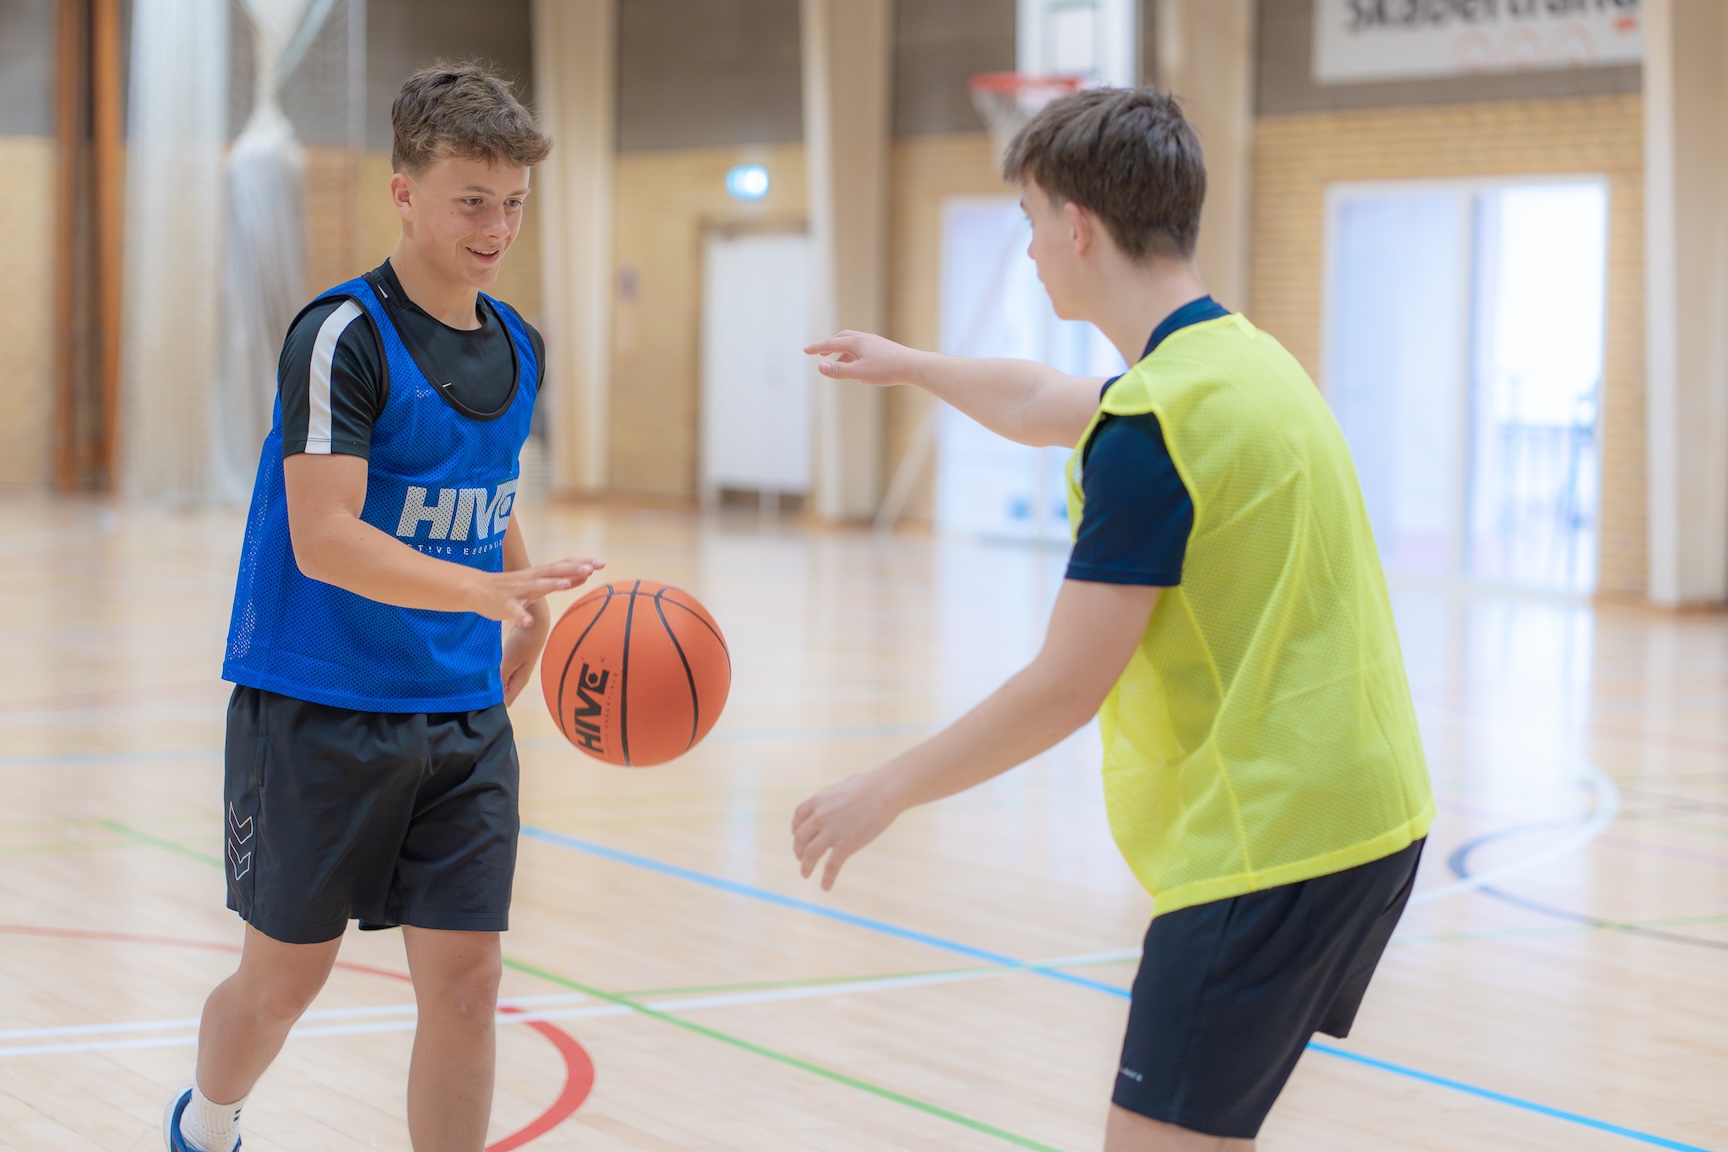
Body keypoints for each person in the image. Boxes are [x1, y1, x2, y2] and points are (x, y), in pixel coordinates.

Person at [791, 88, 1434, 1151]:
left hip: (1269, 841)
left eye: (1036, 220)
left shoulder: (1152, 432)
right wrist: (910, 364)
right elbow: (1043, 401)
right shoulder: (1238, 363)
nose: (1034, 248)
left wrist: (885, 789)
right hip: (1369, 820)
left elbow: (1064, 686)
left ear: (1078, 227)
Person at [164, 62, 602, 1152]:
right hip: (319, 705)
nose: (496, 227)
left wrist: (527, 601)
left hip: (460, 715)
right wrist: (484, 590)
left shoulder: (519, 343)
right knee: (281, 986)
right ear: (403, 192)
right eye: (471, 200)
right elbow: (326, 537)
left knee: (467, 982)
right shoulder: (339, 338)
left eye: (512, 204)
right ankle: (207, 1126)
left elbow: (481, 481)